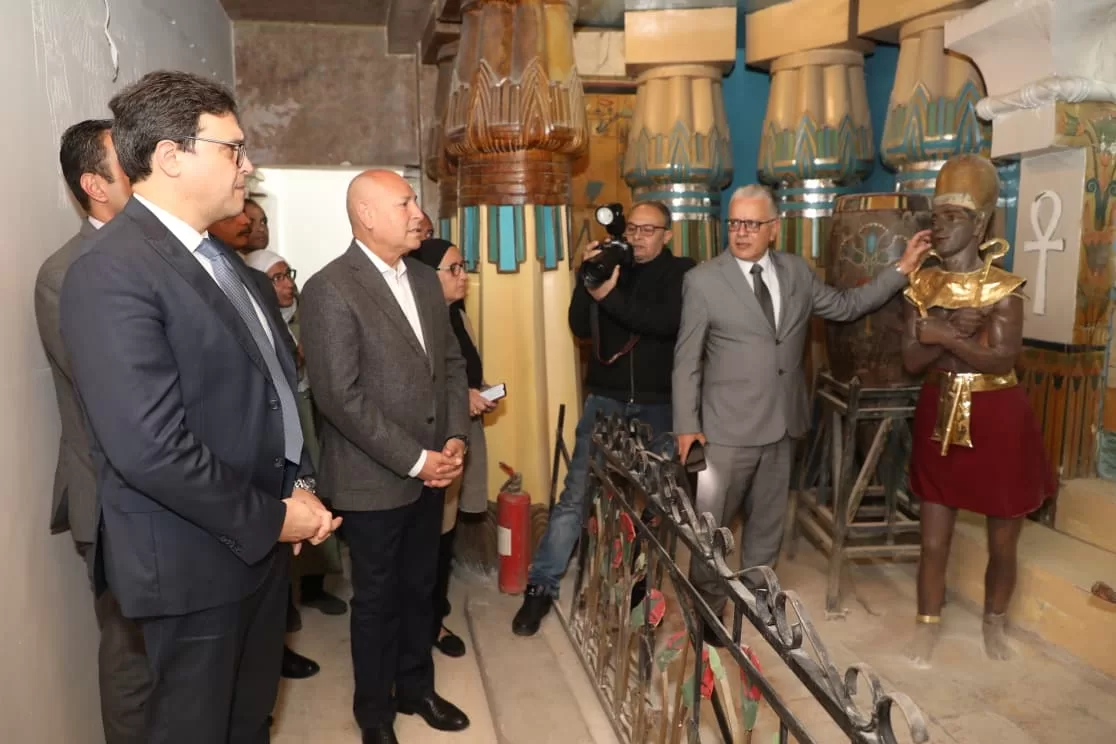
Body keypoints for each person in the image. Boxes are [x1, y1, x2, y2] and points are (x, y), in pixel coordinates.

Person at [59, 70, 340, 744]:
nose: (248, 165)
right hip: (190, 563)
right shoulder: (111, 271)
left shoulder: (228, 264)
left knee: (247, 723)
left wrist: (298, 488)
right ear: (170, 156)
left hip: (258, 548)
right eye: (232, 148)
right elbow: (150, 448)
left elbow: (274, 395)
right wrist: (273, 517)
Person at [672, 184, 931, 645]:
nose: (741, 232)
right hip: (723, 433)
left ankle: (757, 603)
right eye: (734, 223)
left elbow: (847, 307)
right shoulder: (703, 281)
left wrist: (902, 270)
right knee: (711, 529)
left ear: (774, 228)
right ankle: (706, 614)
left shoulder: (795, 272)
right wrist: (687, 427)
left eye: (752, 224)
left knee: (767, 527)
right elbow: (686, 360)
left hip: (783, 425)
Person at [300, 170, 471, 744]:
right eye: (405, 203)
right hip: (372, 477)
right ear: (367, 215)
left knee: (421, 588)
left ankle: (417, 688)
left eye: (415, 201)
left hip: (432, 470)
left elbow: (450, 366)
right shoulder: (330, 288)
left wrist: (454, 438)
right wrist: (417, 459)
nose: (418, 213)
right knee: (377, 600)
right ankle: (375, 715)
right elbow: (338, 397)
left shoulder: (423, 279)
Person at [513, 200, 694, 637]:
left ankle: (640, 591)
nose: (637, 238)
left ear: (668, 235)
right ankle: (541, 586)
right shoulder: (613, 264)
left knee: (654, 505)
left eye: (648, 230)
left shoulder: (682, 273)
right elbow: (580, 325)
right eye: (632, 229)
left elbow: (663, 323)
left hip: (658, 404)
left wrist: (609, 295)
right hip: (606, 400)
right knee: (575, 497)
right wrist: (587, 276)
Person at [901, 154, 1055, 665]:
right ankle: (926, 623)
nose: (941, 226)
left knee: (1003, 539)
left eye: (953, 217)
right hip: (938, 409)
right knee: (933, 540)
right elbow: (910, 360)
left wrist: (944, 336)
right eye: (936, 216)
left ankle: (994, 622)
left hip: (997, 415)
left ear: (981, 223)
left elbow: (1001, 359)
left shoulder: (1004, 289)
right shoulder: (921, 285)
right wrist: (952, 332)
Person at [35, 119, 147, 744]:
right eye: (127, 162)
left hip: (172, 488)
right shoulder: (66, 273)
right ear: (94, 186)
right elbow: (114, 394)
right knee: (133, 659)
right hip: (115, 500)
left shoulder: (161, 253)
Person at [245, 249, 348, 619]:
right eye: (276, 278)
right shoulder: (254, 322)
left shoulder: (305, 318)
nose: (287, 283)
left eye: (288, 274)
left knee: (315, 490)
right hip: (281, 420)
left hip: (310, 412)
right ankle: (285, 600)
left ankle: (315, 585)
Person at [412, 238, 497, 658]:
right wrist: (461, 396)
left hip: (460, 435)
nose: (464, 277)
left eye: (465, 267)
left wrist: (477, 390)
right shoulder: (416, 320)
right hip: (431, 444)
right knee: (429, 537)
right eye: (454, 269)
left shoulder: (457, 316)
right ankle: (425, 621)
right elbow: (418, 385)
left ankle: (433, 610)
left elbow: (464, 370)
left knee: (445, 534)